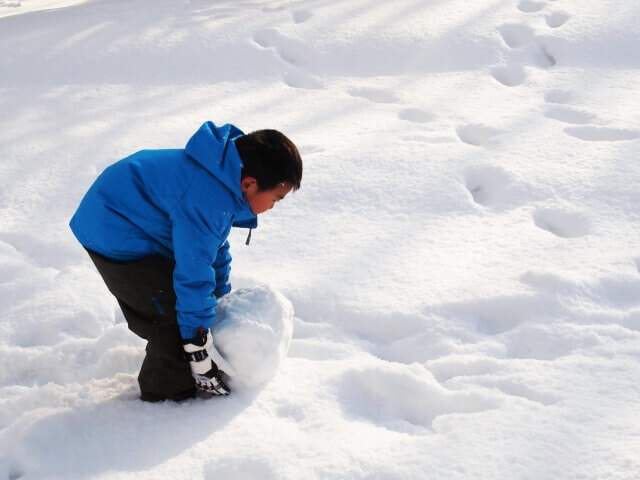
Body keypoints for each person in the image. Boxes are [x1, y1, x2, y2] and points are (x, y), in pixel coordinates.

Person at [69, 121, 302, 402]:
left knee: (190, 307)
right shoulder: (209, 197)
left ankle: (183, 359)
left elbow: (211, 249)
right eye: (275, 198)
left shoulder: (220, 181)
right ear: (249, 184)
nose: (273, 207)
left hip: (133, 217)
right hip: (113, 227)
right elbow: (194, 268)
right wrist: (197, 342)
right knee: (171, 319)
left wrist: (217, 301)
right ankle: (165, 399)